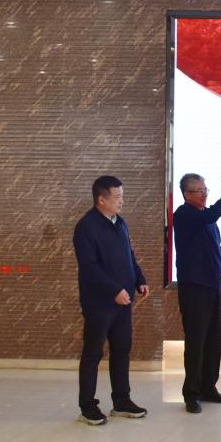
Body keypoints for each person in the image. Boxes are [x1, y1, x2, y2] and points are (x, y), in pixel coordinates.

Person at [73, 175, 149, 426]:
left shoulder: (120, 222)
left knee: (122, 350)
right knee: (93, 353)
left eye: (122, 196)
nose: (121, 201)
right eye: (117, 197)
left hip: (123, 300)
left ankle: (122, 401)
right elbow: (89, 267)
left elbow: (129, 255)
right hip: (99, 302)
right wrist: (114, 290)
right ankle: (87, 407)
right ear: (101, 199)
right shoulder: (86, 226)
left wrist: (139, 279)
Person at [173, 172, 221, 413]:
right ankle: (191, 394)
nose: (204, 194)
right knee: (196, 341)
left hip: (212, 286)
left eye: (206, 190)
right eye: (200, 191)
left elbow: (217, 248)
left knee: (213, 340)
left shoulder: (205, 217)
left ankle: (208, 387)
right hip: (194, 288)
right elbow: (212, 214)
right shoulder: (184, 215)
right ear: (187, 194)